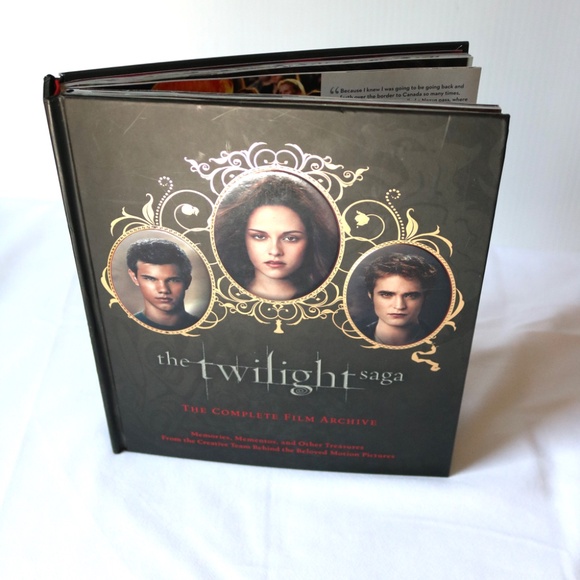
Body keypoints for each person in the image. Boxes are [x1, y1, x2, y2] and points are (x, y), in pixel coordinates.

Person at [214, 172, 339, 300]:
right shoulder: (223, 297)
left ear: (310, 240)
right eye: (259, 236)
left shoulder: (328, 299)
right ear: (242, 238)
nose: (275, 251)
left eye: (290, 238)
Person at [362, 252, 438, 346]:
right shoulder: (352, 340)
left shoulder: (442, 341)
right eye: (386, 294)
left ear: (425, 297)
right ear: (371, 295)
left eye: (411, 295)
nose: (399, 306)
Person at [126, 238, 199, 331]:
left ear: (188, 281)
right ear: (134, 277)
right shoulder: (125, 329)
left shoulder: (206, 326)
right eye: (151, 279)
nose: (163, 289)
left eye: (173, 280)